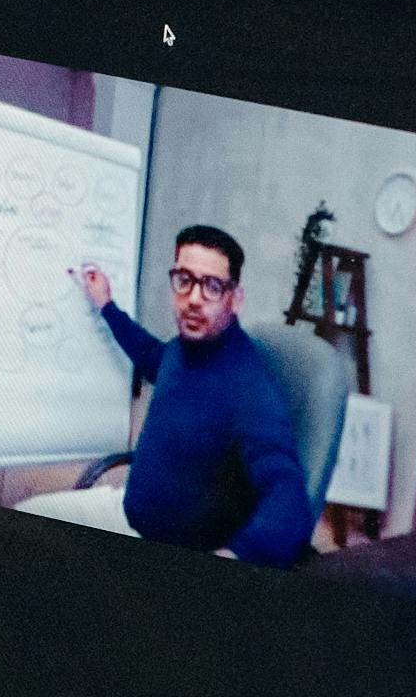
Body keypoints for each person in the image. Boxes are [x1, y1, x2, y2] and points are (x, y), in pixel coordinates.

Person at [62, 226, 320, 562]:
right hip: (125, 513)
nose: (194, 299)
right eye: (184, 280)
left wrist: (236, 555)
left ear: (235, 298)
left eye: (212, 286)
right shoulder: (181, 351)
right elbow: (149, 355)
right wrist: (106, 305)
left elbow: (287, 493)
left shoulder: (248, 388)